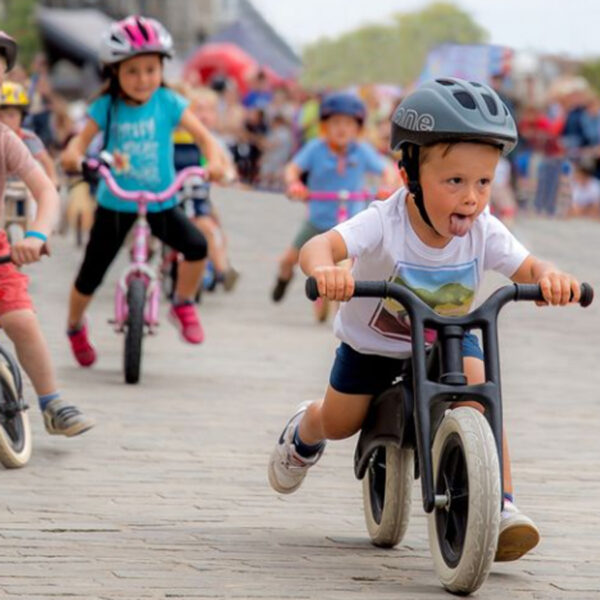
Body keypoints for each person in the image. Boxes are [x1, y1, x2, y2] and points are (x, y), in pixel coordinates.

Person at [268, 78, 584, 562]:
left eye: (483, 182)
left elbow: (529, 266)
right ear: (409, 173)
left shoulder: (484, 229)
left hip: (450, 342)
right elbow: (322, 245)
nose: (471, 198)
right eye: (454, 181)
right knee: (340, 419)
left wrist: (551, 278)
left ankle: (498, 508)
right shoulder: (383, 221)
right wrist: (326, 270)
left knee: (480, 392)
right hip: (372, 347)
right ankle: (303, 432)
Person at [61, 15, 227, 365]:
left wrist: (213, 161)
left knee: (197, 247)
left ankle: (182, 302)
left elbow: (204, 138)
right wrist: (74, 156)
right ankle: (75, 325)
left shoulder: (168, 102)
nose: (143, 79)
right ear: (114, 72)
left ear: (162, 69)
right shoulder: (106, 106)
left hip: (160, 200)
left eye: (150, 69)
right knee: (91, 273)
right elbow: (79, 143)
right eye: (132, 71)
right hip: (116, 200)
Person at [0, 31, 93, 435]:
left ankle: (51, 401)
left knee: (21, 320)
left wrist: (36, 234)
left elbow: (45, 192)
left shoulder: (7, 140)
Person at [271, 91, 398, 302]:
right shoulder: (315, 149)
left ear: (358, 129)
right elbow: (292, 168)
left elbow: (388, 171)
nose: (342, 128)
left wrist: (387, 186)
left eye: (348, 124)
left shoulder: (361, 151)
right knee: (287, 259)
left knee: (351, 268)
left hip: (349, 224)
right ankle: (282, 281)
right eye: (336, 122)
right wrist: (295, 184)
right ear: (324, 126)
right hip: (317, 220)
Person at [172, 85, 239, 291]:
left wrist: (227, 174)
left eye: (210, 110)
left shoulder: (212, 141)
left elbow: (227, 165)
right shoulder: (174, 136)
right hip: (173, 195)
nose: (204, 115)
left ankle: (222, 270)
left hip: (198, 195)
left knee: (214, 229)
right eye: (198, 109)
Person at [0, 81, 58, 186]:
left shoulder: (28, 139)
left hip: (24, 189)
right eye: (0, 116)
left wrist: (53, 181)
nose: (5, 121)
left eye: (11, 115)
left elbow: (47, 162)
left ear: (22, 117)